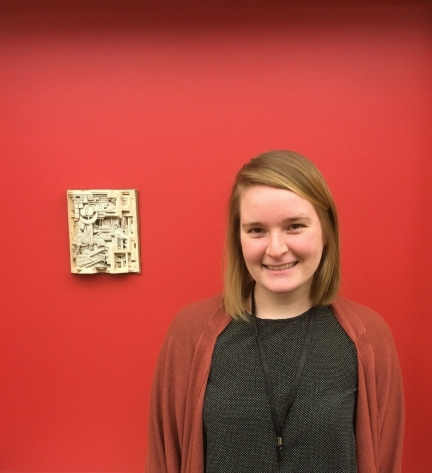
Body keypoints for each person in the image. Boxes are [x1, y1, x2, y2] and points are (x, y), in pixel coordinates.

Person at [145, 150, 404, 473]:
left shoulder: (368, 337)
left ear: (326, 231)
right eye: (256, 230)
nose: (276, 249)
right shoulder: (190, 334)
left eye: (295, 226)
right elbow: (165, 458)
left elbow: (385, 457)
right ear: (238, 237)